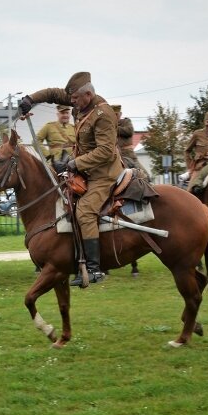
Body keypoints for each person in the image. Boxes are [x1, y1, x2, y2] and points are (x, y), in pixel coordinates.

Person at [19, 71, 122, 287]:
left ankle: (94, 269)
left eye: (75, 99)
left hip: (103, 173)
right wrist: (31, 99)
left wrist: (75, 163)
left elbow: (106, 151)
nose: (71, 103)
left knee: (84, 211)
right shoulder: (80, 102)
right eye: (71, 99)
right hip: (84, 170)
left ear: (88, 94)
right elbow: (55, 93)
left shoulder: (103, 115)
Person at [113, 104, 147, 174]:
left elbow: (129, 131)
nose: (115, 116)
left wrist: (113, 128)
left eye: (117, 114)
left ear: (120, 114)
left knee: (140, 171)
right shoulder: (107, 124)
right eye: (113, 114)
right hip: (114, 154)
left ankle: (147, 181)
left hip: (127, 153)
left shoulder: (126, 122)